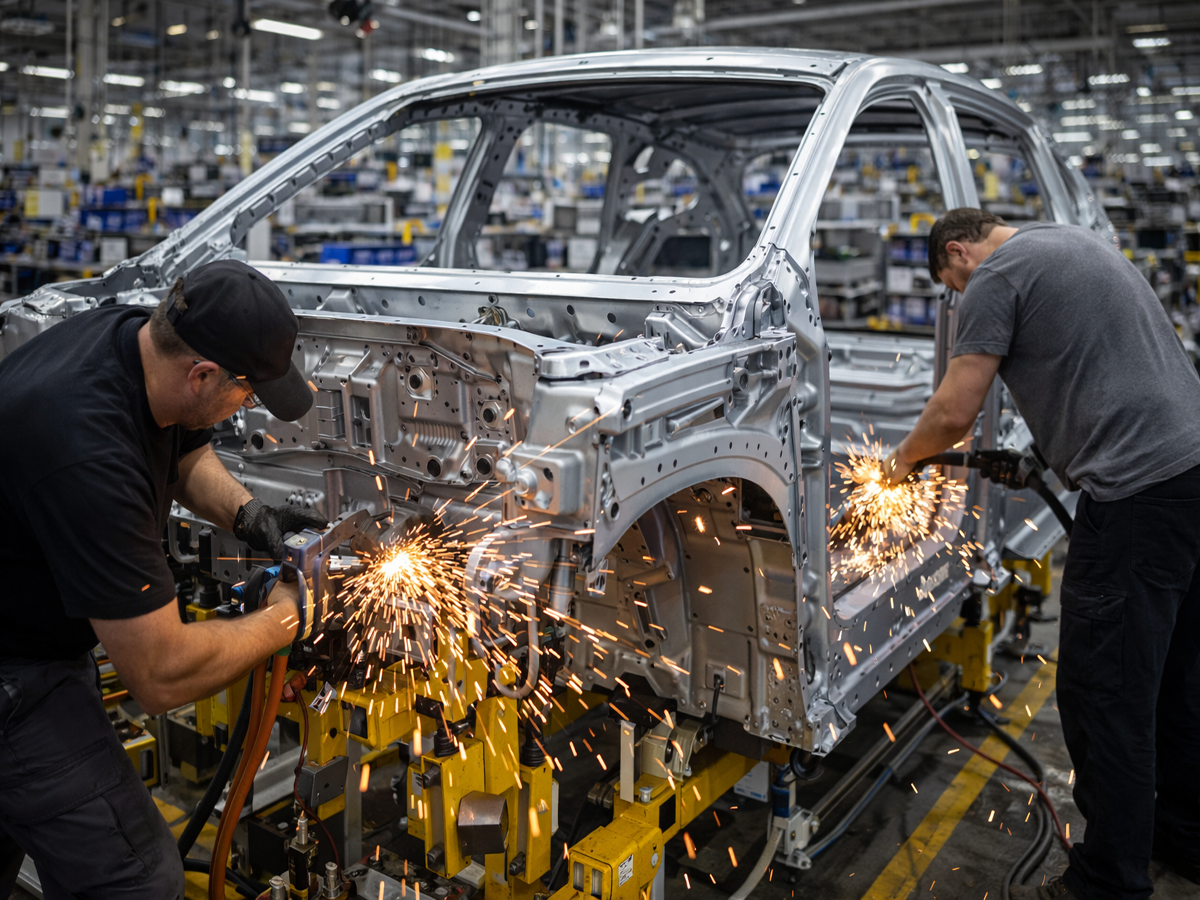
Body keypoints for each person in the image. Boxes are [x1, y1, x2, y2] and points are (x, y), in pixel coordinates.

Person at [884, 208, 1200, 900]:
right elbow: (1099, 368)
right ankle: (1183, 837)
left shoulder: (995, 274)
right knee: (1175, 681)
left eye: (952, 286)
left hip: (1136, 496)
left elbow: (952, 411)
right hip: (1190, 475)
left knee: (1105, 696)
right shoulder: (1069, 243)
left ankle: (1109, 883)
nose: (963, 299)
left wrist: (900, 464)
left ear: (960, 253)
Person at [0, 260, 328, 898]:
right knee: (140, 879)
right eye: (248, 391)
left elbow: (183, 450)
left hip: (23, 623)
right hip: (14, 679)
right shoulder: (89, 457)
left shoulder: (131, 337)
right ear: (202, 374)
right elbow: (159, 673)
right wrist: (288, 616)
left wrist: (249, 515)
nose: (250, 405)